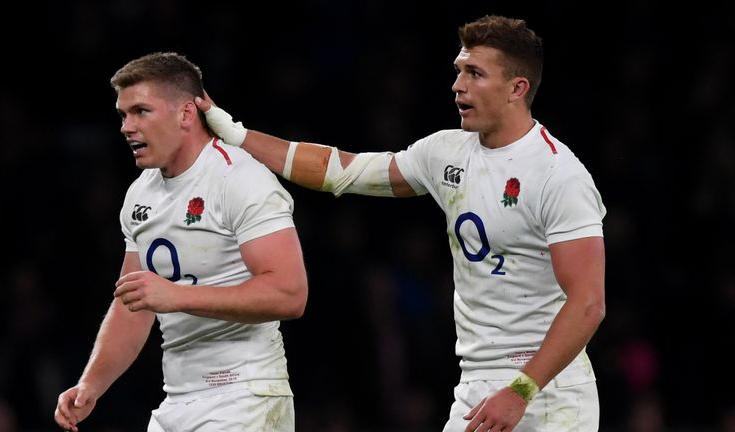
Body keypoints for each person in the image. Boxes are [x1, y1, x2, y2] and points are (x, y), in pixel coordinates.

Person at [197, 14, 606, 432]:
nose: (458, 85)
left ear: (517, 88)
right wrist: (236, 134)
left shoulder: (560, 175)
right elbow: (342, 171)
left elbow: (588, 303)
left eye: (475, 73)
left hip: (549, 393)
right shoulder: (445, 152)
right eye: (459, 71)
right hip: (476, 385)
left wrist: (522, 391)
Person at [54, 52, 308, 432]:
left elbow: (290, 294)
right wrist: (92, 383)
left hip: (246, 398)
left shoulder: (240, 179)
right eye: (123, 115)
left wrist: (176, 297)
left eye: (141, 111)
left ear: (186, 114)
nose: (126, 126)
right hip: (177, 401)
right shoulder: (140, 195)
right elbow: (134, 304)